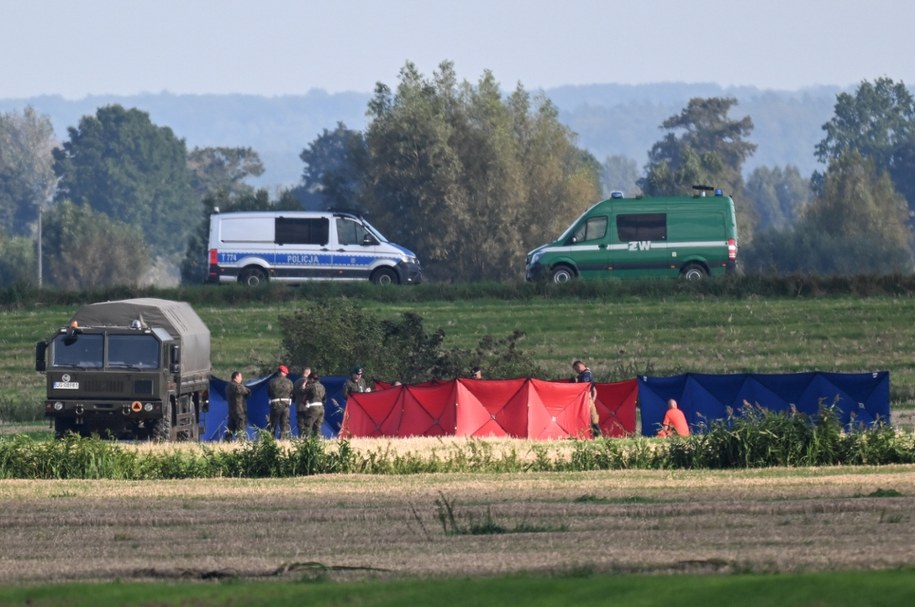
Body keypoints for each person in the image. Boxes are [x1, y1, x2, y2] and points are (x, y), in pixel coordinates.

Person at [572, 360, 602, 438]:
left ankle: (595, 434)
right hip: (588, 398)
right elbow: (594, 390)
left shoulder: (586, 375)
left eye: (576, 369)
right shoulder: (586, 374)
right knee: (593, 417)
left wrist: (576, 382)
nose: (577, 371)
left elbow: (583, 386)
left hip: (585, 398)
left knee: (591, 417)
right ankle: (596, 435)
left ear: (580, 366)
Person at [267, 364, 294, 439]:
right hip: (286, 405)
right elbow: (292, 393)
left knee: (273, 424)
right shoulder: (289, 382)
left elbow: (269, 393)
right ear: (283, 372)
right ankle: (283, 440)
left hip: (275, 404)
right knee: (284, 424)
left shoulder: (271, 382)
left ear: (278, 372)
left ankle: (270, 439)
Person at [224, 370, 251, 441]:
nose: (241, 379)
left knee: (230, 427)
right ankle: (241, 441)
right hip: (239, 410)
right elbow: (247, 392)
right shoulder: (236, 386)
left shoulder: (228, 386)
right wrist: (244, 388)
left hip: (231, 410)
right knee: (241, 427)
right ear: (236, 377)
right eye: (240, 377)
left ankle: (227, 440)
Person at [300, 372, 326, 438]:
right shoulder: (322, 386)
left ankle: (307, 441)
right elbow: (324, 398)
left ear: (311, 379)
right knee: (318, 426)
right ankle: (318, 441)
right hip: (321, 408)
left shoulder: (311, 386)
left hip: (313, 408)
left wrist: (304, 383)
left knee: (308, 425)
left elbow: (302, 391)